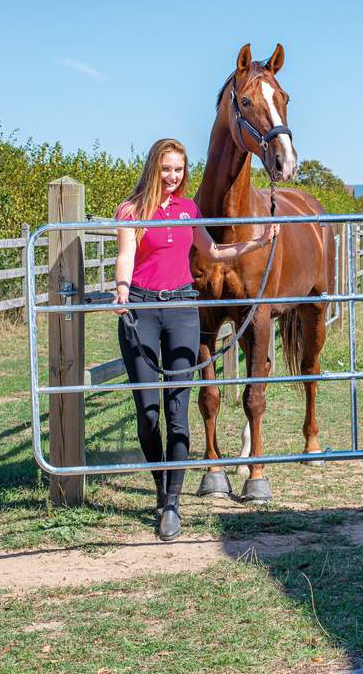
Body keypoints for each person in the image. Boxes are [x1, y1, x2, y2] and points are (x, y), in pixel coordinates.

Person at [112, 138, 278, 541]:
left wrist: (257, 242)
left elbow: (214, 251)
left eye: (179, 170)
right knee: (148, 415)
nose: (173, 177)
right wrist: (120, 290)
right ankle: (160, 486)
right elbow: (125, 256)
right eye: (167, 169)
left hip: (183, 312)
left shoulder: (189, 210)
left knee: (177, 412)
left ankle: (172, 502)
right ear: (154, 168)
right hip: (141, 310)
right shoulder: (131, 210)